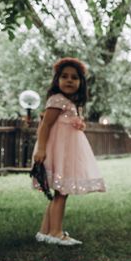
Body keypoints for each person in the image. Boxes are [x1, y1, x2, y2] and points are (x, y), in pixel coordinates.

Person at [32, 57, 106, 246]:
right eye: (64, 76)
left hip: (66, 153)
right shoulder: (57, 100)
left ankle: (45, 231)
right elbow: (45, 126)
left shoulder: (71, 103)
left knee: (59, 192)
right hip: (57, 152)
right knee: (61, 193)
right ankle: (56, 233)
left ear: (81, 83)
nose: (69, 80)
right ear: (57, 80)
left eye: (74, 77)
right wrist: (40, 149)